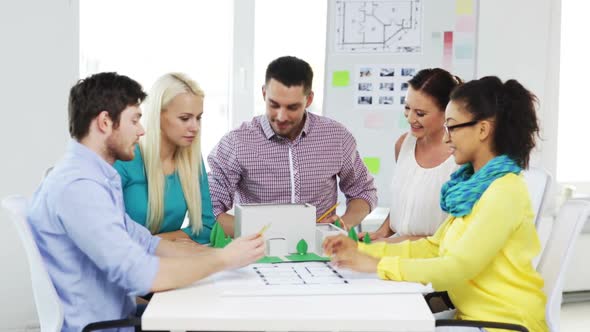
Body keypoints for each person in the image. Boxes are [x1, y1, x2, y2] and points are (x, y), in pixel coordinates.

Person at [27, 72, 265, 331]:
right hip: (107, 326)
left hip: (122, 314)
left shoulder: (95, 178)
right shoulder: (79, 188)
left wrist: (221, 254)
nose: (141, 130)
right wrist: (223, 261)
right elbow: (138, 275)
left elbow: (146, 242)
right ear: (105, 122)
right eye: (135, 120)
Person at [324, 76, 548, 331]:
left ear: (483, 130)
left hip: (504, 323)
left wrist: (377, 264)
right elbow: (433, 247)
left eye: (452, 127)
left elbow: (456, 267)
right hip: (471, 319)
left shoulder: (504, 191)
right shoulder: (472, 188)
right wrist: (362, 250)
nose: (445, 139)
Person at [208, 56, 378, 236]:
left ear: (309, 99)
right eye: (274, 105)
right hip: (257, 251)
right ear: (264, 94)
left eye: (292, 107)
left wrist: (343, 224)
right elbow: (208, 212)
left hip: (321, 250)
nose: (281, 117)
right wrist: (262, 232)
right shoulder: (236, 142)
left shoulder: (337, 137)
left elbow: (364, 191)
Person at [362, 68, 460, 243]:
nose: (410, 118)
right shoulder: (403, 145)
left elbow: (458, 233)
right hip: (397, 254)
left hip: (435, 259)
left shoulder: (461, 157)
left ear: (447, 111)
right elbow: (406, 203)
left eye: (420, 113)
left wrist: (397, 242)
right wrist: (381, 233)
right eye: (407, 108)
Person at [114, 73, 214, 244]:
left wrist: (156, 243)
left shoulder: (192, 159)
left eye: (198, 118)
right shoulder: (124, 158)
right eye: (185, 118)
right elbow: (108, 236)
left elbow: (206, 228)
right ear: (158, 115)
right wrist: (171, 242)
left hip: (168, 263)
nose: (195, 127)